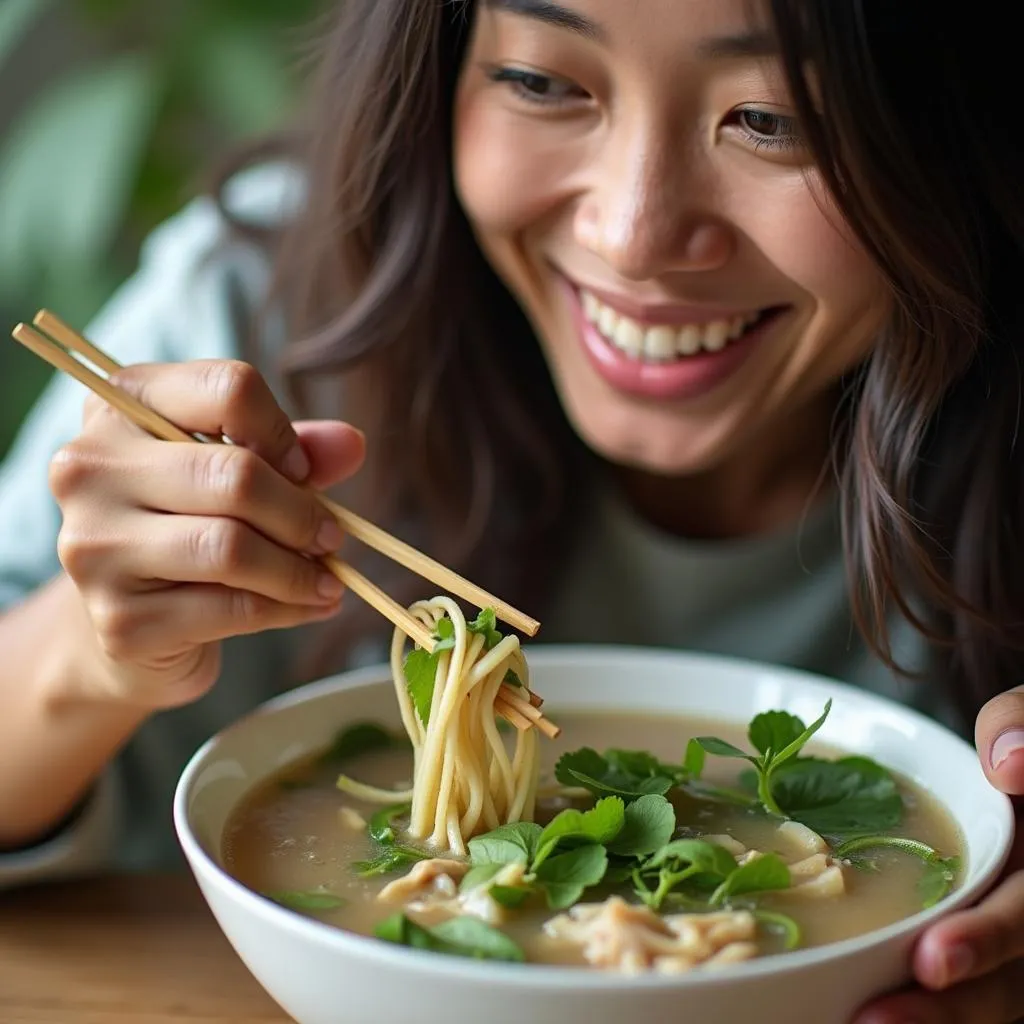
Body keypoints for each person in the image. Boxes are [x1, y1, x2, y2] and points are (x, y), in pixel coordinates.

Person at [1, 0, 1022, 1018]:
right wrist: (82, 658)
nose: (633, 236)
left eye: (773, 118)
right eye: (541, 82)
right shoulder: (265, 312)